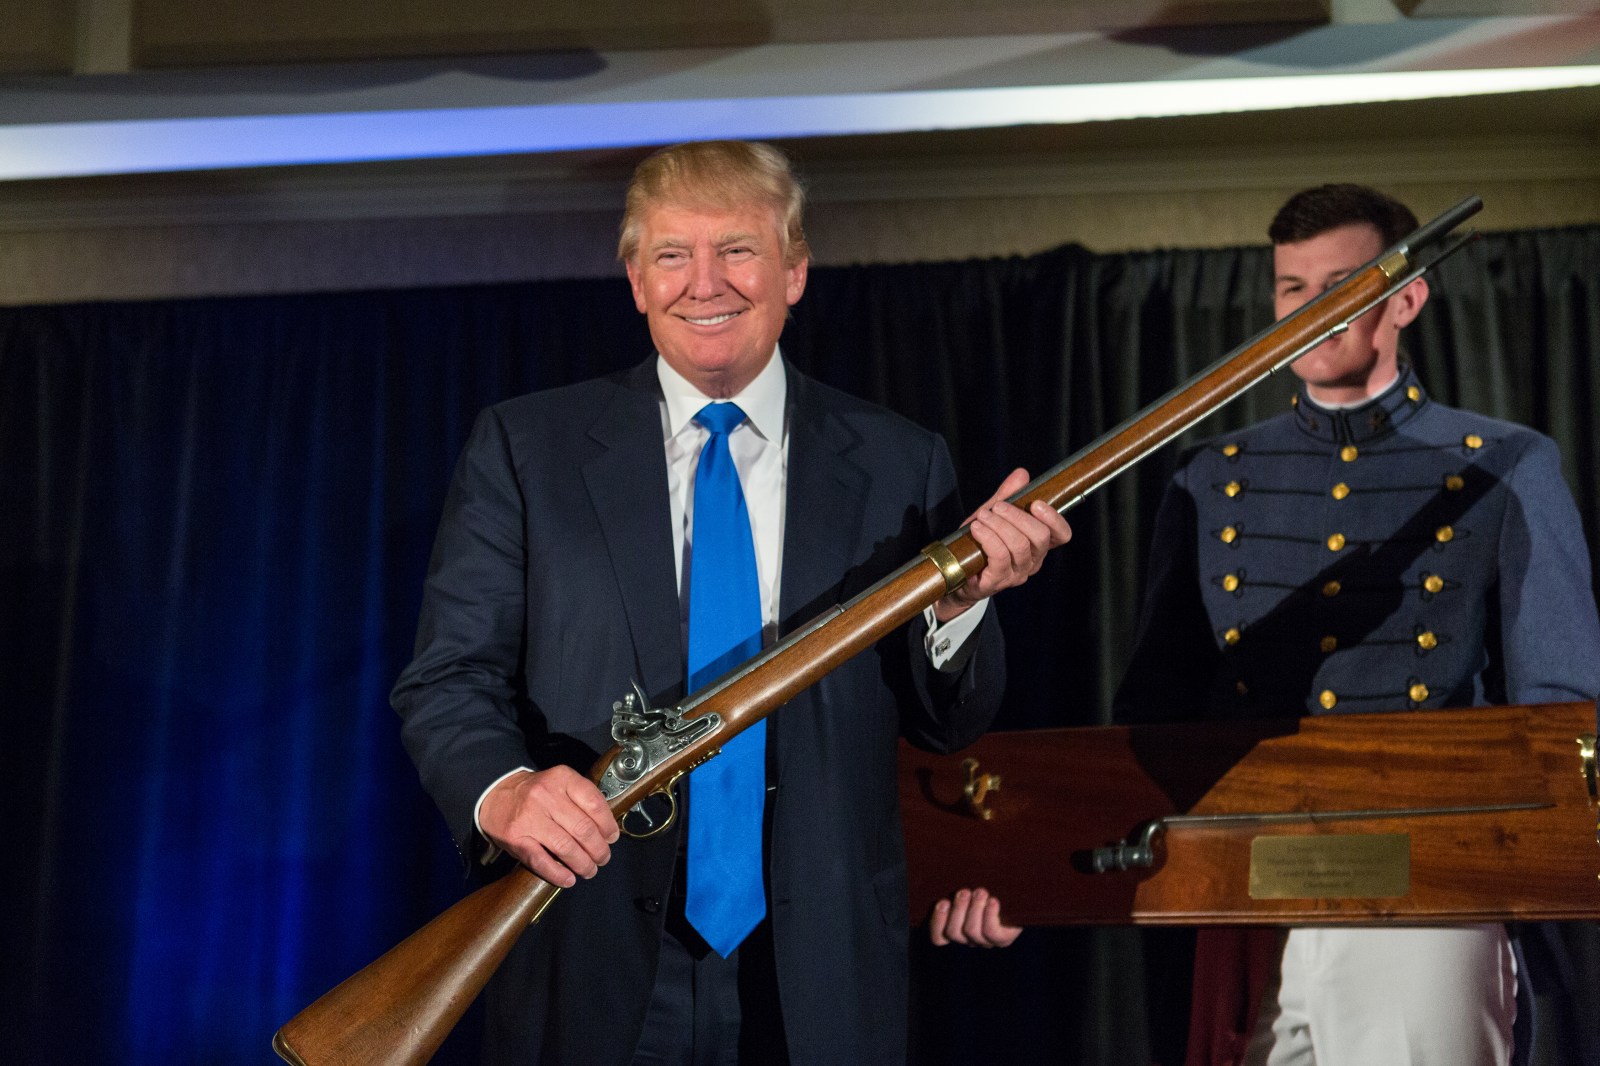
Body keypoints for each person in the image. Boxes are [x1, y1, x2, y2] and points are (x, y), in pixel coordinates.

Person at [391, 139, 1071, 1066]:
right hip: (585, 946)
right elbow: (448, 680)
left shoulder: (899, 462)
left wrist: (960, 611)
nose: (704, 282)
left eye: (738, 250)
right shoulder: (526, 448)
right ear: (635, 280)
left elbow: (945, 727)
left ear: (795, 271)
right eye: (673, 255)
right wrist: (505, 794)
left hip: (821, 971)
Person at [934, 183, 1600, 1066]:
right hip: (1243, 880)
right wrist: (1046, 878)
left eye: (1343, 284)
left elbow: (1561, 722)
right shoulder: (1211, 475)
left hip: (1432, 882)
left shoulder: (1507, 465)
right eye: (1293, 289)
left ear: (1406, 297)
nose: (1311, 311)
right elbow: (1155, 720)